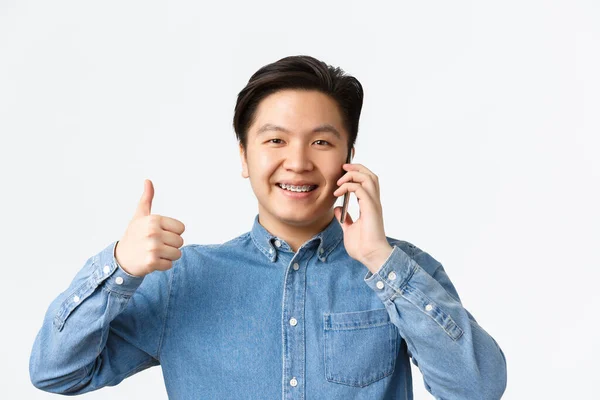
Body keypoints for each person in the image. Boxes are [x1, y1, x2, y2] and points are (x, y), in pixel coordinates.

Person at [29, 55, 507, 399]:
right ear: (244, 156)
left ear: (348, 158)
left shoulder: (402, 272)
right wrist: (117, 269)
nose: (297, 162)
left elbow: (479, 389)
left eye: (321, 141)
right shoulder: (184, 279)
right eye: (275, 139)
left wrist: (380, 261)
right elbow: (57, 373)